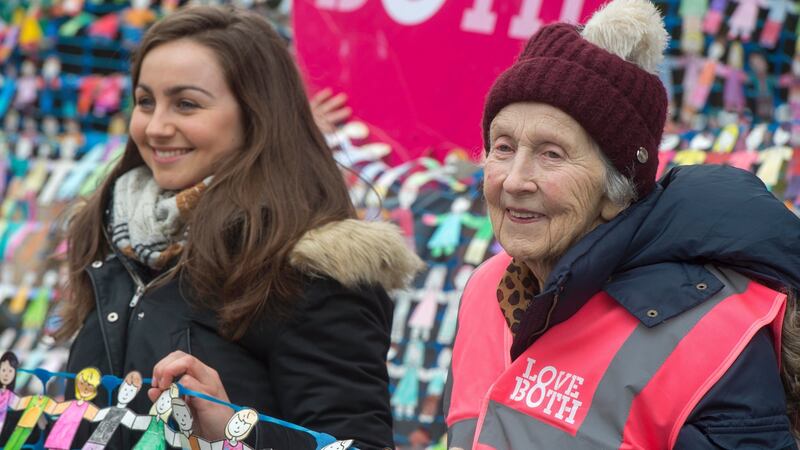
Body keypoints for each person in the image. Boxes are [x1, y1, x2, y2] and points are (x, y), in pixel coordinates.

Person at [57, 5, 422, 450]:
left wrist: (235, 429)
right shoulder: (115, 241)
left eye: (186, 104)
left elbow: (357, 444)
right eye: (145, 101)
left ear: (256, 116)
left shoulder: (307, 270)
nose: (155, 127)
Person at [444, 0, 800, 448]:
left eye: (551, 154)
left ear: (616, 191)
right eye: (502, 147)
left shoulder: (710, 331)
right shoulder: (486, 290)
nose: (514, 180)